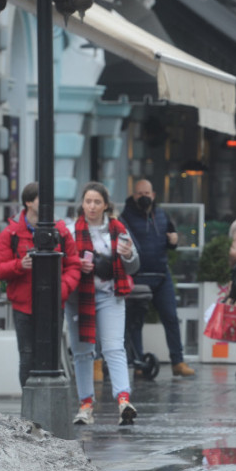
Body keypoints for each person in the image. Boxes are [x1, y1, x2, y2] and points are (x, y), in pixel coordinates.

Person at [0, 182, 81, 387]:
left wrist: (62, 290)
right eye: (42, 199)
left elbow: (73, 265)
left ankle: (48, 401)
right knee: (27, 357)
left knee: (51, 357)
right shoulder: (11, 233)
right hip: (24, 305)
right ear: (29, 202)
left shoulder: (61, 231)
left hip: (52, 304)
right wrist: (19, 265)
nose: (49, 204)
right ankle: (29, 407)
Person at [65, 181, 141, 425]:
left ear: (106, 205)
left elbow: (134, 265)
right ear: (82, 203)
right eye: (88, 201)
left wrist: (127, 254)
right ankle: (85, 405)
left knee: (113, 348)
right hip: (79, 297)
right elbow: (64, 263)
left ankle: (123, 400)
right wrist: (78, 264)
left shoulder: (118, 230)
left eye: (97, 202)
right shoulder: (70, 230)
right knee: (82, 352)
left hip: (110, 295)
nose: (92, 206)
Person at [120, 179, 195, 377]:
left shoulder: (161, 214)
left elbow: (172, 236)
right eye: (139, 193)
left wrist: (174, 240)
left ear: (153, 195)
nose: (143, 196)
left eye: (147, 192)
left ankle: (178, 362)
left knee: (171, 318)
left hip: (162, 276)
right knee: (136, 322)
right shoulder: (124, 217)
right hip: (137, 277)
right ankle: (139, 363)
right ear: (133, 195)